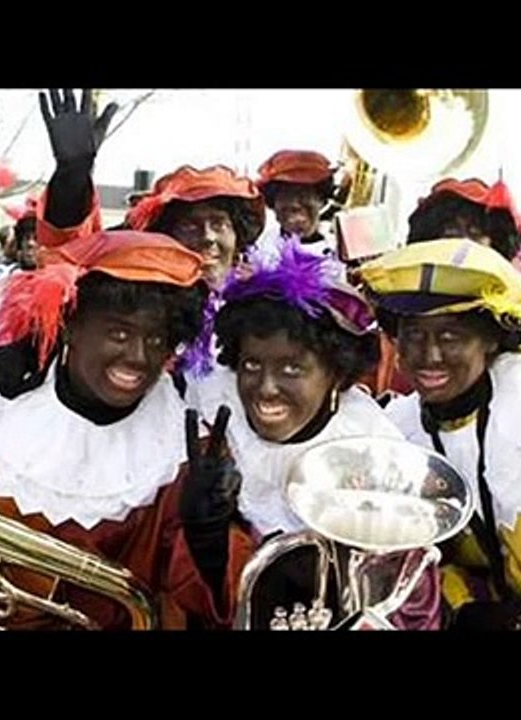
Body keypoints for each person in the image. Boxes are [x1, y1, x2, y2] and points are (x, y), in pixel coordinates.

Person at [0, 229, 253, 629]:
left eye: (157, 339)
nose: (139, 357)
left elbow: (208, 600)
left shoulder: (188, 453)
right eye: (118, 333)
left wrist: (210, 543)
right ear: (69, 325)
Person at [185, 238, 440, 629]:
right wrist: (208, 539)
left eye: (292, 369)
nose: (266, 387)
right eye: (252, 365)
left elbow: (412, 604)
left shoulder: (375, 453)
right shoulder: (214, 426)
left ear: (336, 373)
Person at [360, 238, 521, 629]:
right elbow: (422, 565)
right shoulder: (396, 432)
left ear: (491, 338)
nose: (430, 355)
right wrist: (465, 606)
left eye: (450, 336)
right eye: (413, 335)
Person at [35, 89, 265, 287]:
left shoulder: (265, 310)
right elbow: (68, 259)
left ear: (238, 238)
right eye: (189, 225)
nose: (207, 237)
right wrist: (73, 176)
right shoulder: (135, 307)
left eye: (219, 224)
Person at [253, 150, 341, 259]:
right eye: (285, 194)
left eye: (303, 193)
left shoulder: (341, 249)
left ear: (321, 200)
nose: (295, 203)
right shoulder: (259, 251)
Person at [406, 177, 521, 261]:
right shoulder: (404, 288)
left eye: (475, 234)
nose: (464, 243)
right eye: (451, 234)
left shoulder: (516, 293)